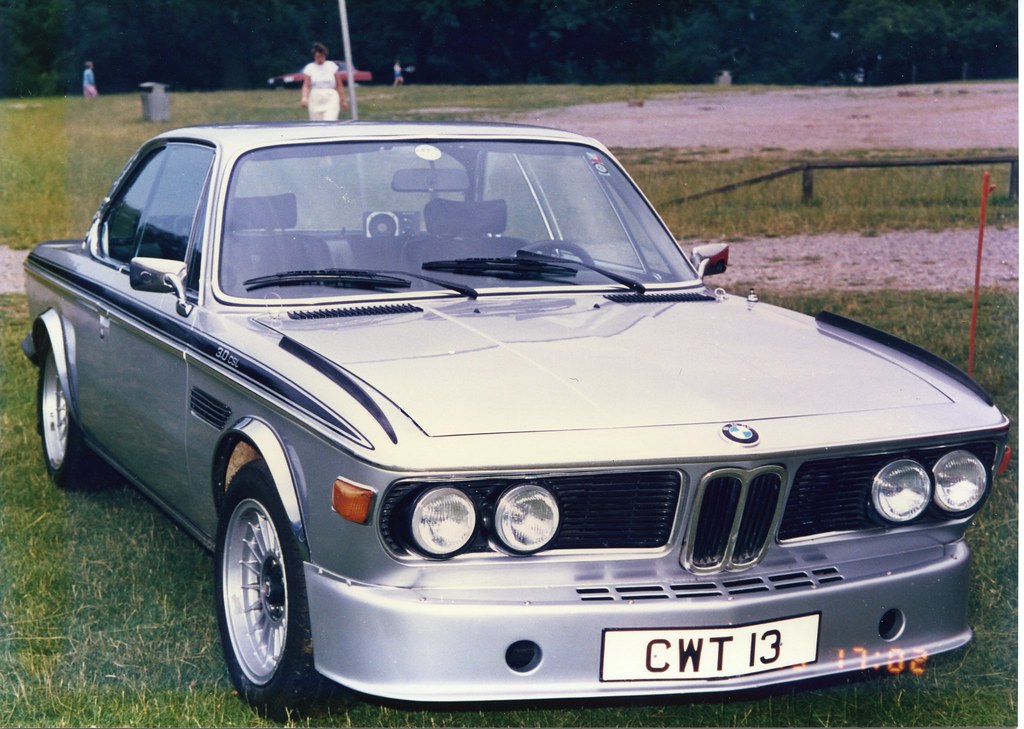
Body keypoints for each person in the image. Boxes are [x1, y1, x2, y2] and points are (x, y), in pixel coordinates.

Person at [300, 42, 347, 120]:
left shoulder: (332, 66)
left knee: (330, 120)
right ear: (314, 56)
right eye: (318, 56)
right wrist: (304, 98)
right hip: (315, 98)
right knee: (316, 124)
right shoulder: (309, 68)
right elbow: (306, 85)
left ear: (325, 55)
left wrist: (343, 100)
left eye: (322, 56)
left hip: (330, 97)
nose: (320, 59)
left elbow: (339, 85)